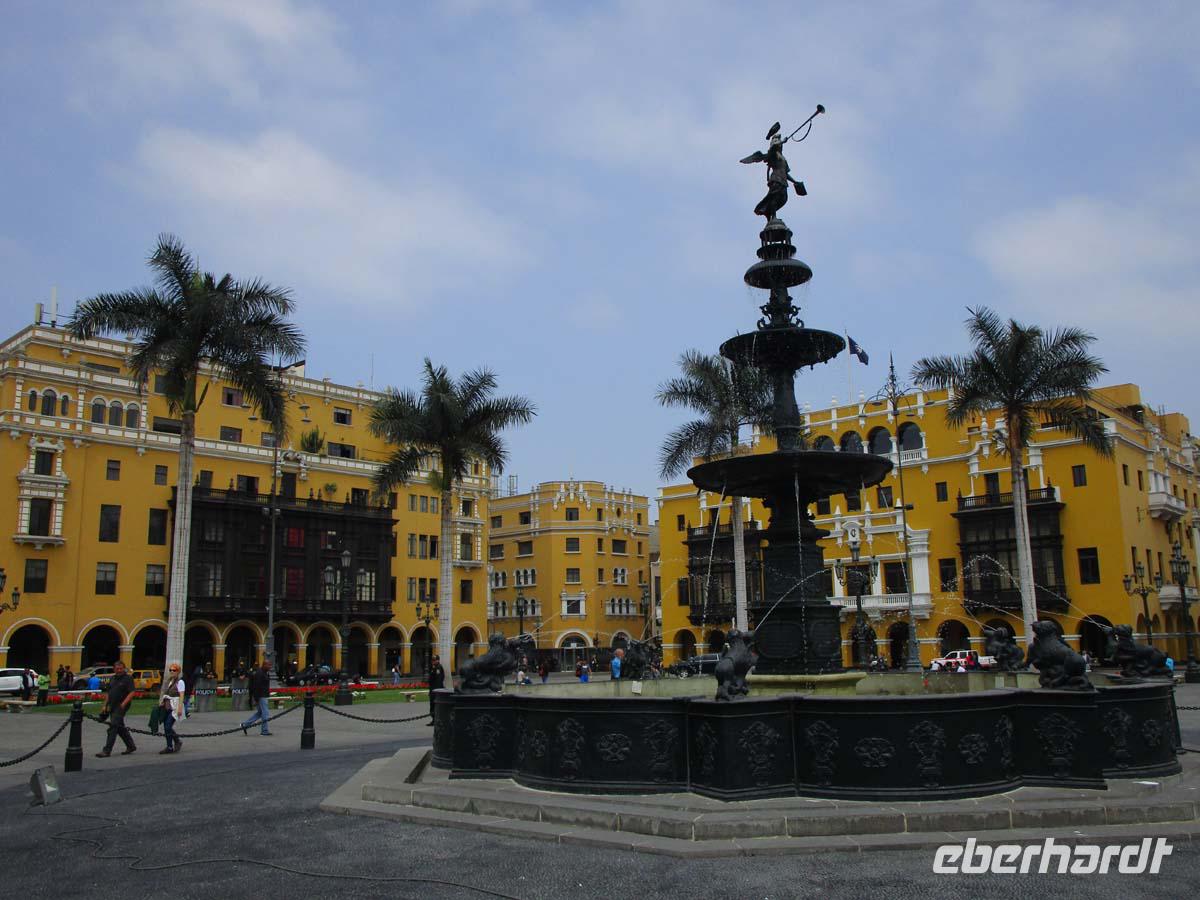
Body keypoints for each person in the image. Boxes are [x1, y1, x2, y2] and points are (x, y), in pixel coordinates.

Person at [95, 661, 136, 758]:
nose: (119, 670)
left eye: (121, 668)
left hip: (121, 706)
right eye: (117, 669)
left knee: (113, 727)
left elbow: (132, 692)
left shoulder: (128, 678)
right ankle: (131, 746)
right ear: (114, 669)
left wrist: (124, 704)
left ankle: (107, 750)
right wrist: (105, 705)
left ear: (124, 668)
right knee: (119, 727)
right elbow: (109, 693)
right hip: (112, 705)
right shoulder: (112, 678)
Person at [240, 660, 273, 736]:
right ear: (264, 665)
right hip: (261, 696)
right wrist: (256, 697)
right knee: (265, 713)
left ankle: (245, 725)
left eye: (270, 665)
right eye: (269, 665)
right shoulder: (259, 673)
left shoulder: (264, 672)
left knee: (260, 713)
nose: (270, 667)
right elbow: (256, 686)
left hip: (263, 695)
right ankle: (264, 731)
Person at [159, 663, 185, 754]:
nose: (172, 672)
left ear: (178, 672)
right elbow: (166, 693)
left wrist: (180, 708)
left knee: (168, 725)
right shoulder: (169, 681)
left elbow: (181, 695)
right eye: (170, 670)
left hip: (175, 706)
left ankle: (173, 744)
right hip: (167, 705)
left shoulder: (180, 682)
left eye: (174, 670)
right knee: (166, 726)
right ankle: (172, 744)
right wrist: (162, 701)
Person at [427, 655, 445, 725]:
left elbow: (439, 680)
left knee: (435, 705)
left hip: (436, 690)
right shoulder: (433, 667)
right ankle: (434, 720)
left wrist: (436, 691)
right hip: (433, 689)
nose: (433, 661)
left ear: (438, 660)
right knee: (432, 705)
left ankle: (436, 720)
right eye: (432, 660)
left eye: (434, 660)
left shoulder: (438, 668)